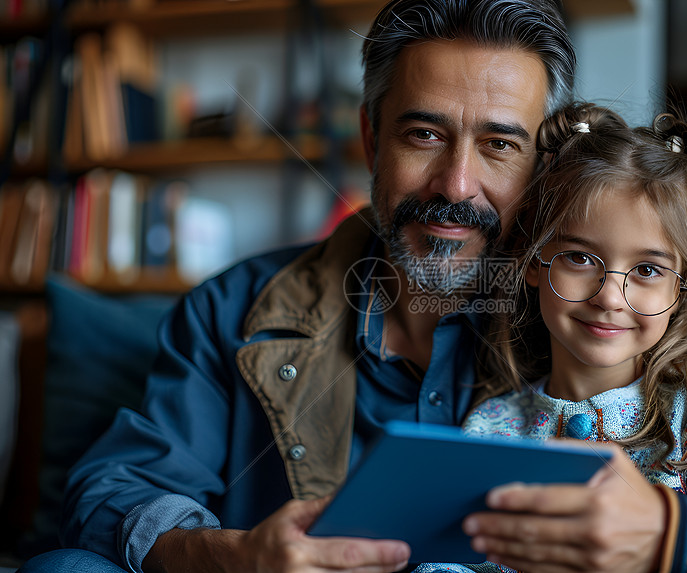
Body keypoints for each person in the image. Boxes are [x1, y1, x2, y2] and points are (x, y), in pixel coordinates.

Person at [17, 0, 576, 571]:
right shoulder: (232, 310)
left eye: (500, 145)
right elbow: (115, 492)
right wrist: (237, 558)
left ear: (543, 166)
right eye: (424, 134)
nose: (456, 186)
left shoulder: (588, 320)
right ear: (371, 138)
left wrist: (670, 529)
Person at [453, 103, 687, 572]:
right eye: (580, 259)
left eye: (647, 270)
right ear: (532, 261)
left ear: (681, 287)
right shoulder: (492, 430)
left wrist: (667, 534)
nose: (610, 297)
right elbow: (450, 557)